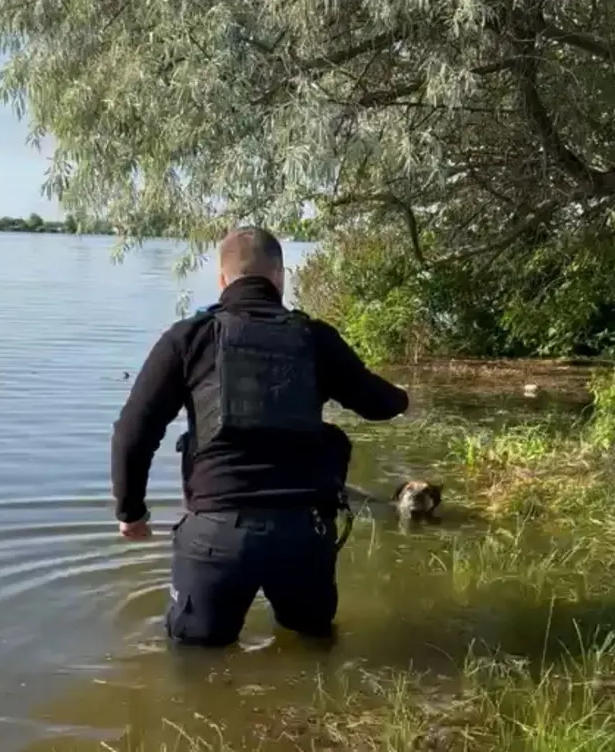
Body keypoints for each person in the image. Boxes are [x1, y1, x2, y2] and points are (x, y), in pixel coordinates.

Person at [111, 227, 409, 647]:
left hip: (216, 533)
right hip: (303, 534)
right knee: (312, 650)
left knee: (196, 664)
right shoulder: (315, 338)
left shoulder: (188, 338)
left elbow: (133, 431)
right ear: (280, 277)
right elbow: (379, 404)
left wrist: (131, 511)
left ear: (221, 280)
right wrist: (404, 396)